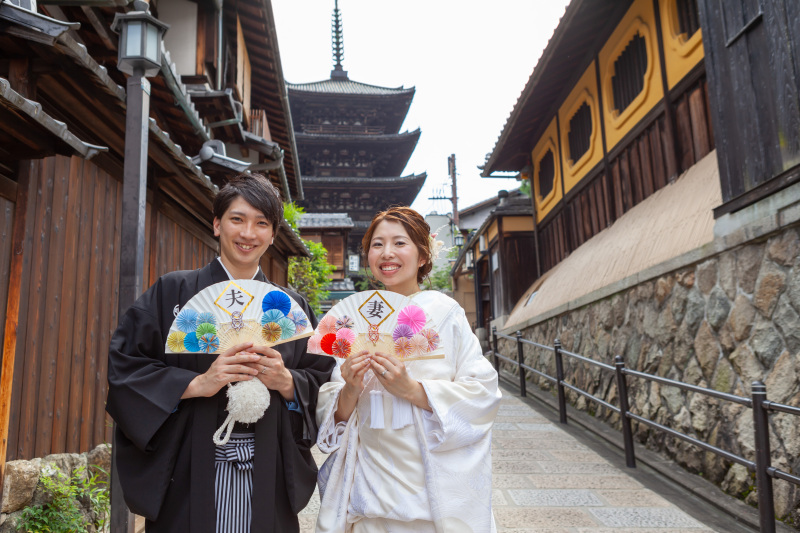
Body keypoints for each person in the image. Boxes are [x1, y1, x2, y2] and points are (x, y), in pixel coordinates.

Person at [106, 173, 335, 533]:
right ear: (217, 224)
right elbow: (126, 368)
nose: (248, 234)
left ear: (273, 235)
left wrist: (288, 381)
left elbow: (324, 379)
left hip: (268, 466)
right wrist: (198, 382)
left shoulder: (291, 306)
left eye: (262, 223)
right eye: (237, 219)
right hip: (188, 465)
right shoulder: (171, 293)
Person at [314, 206, 502, 533]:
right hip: (368, 493)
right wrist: (350, 390)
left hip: (432, 498)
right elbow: (334, 417)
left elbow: (483, 393)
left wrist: (413, 390)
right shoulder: (352, 320)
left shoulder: (445, 313)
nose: (387, 253)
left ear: (423, 253)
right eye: (377, 244)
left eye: (399, 243)